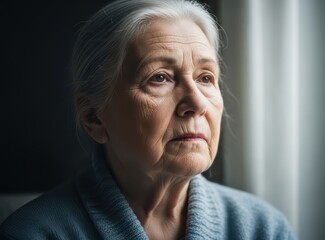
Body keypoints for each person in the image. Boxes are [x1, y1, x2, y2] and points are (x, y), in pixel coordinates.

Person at [0, 0, 295, 239]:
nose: (196, 103)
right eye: (160, 78)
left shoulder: (263, 229)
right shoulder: (33, 233)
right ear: (94, 117)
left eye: (206, 78)